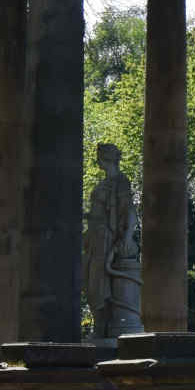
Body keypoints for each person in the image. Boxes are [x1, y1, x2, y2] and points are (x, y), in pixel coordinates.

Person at [82, 142, 143, 337]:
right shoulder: (103, 183)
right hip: (94, 237)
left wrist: (126, 238)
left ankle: (103, 327)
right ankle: (100, 326)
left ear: (105, 158)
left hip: (105, 238)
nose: (97, 159)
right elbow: (97, 213)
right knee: (91, 282)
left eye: (99, 156)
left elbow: (129, 211)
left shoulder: (120, 181)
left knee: (98, 284)